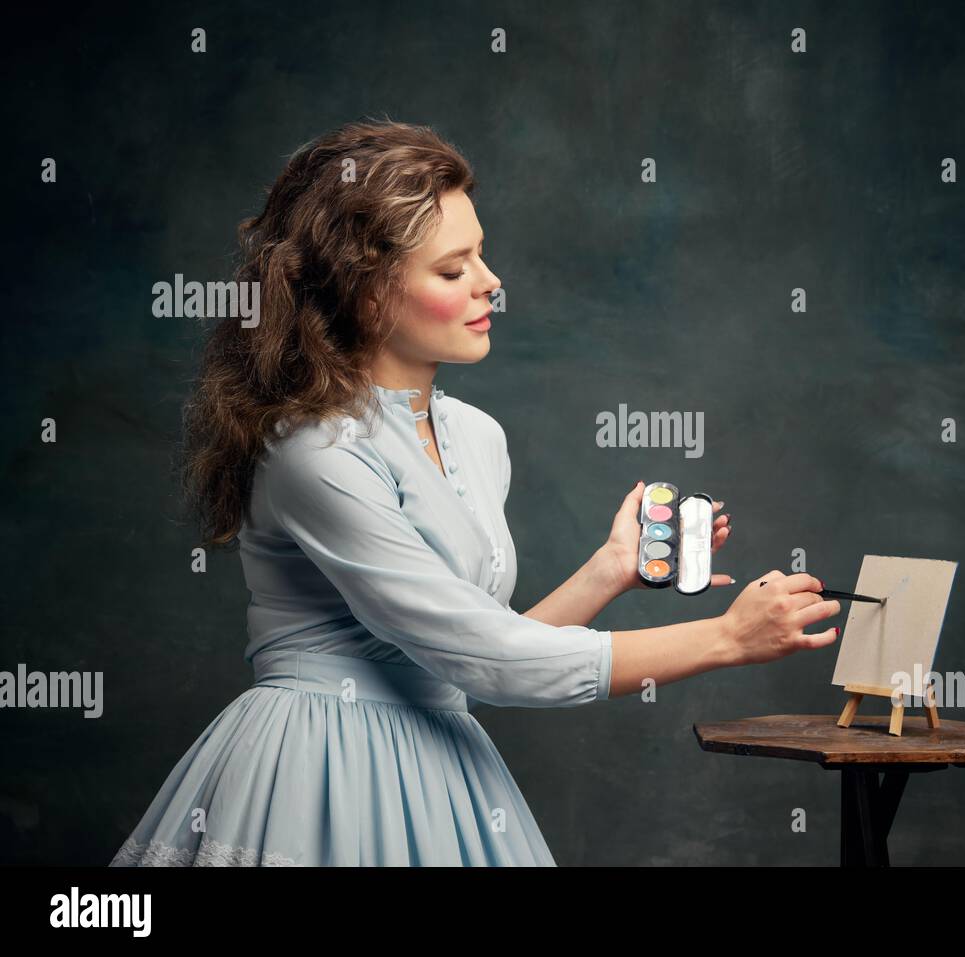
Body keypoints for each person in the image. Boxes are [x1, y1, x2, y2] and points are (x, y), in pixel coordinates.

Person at [109, 119, 841, 866]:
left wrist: (609, 569)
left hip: (442, 770)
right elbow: (489, 656)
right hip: (316, 777)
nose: (491, 282)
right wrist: (725, 637)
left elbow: (465, 661)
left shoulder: (477, 436)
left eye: (481, 255)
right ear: (366, 296)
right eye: (452, 269)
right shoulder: (314, 453)